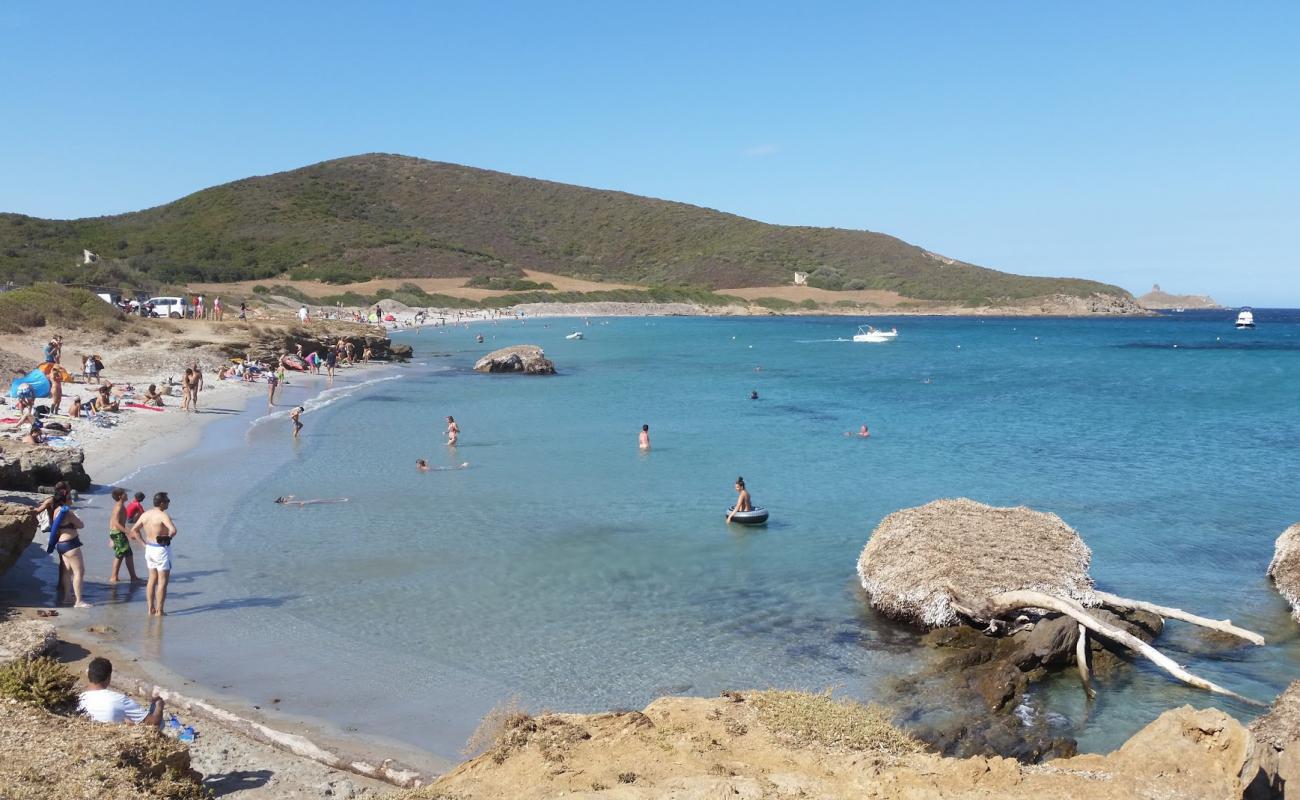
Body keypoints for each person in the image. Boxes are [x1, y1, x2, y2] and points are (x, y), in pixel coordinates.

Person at [37, 482, 91, 607]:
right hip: (70, 544)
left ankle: (67, 598)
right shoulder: (67, 512)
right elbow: (81, 525)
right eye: (70, 498)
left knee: (67, 572)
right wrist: (76, 519)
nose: (72, 500)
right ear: (65, 499)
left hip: (61, 544)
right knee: (79, 572)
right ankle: (78, 601)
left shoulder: (56, 510)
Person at [78, 657, 164, 727]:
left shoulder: (79, 699)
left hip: (93, 734)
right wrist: (159, 704)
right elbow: (153, 722)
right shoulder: (119, 700)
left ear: (89, 675)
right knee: (160, 723)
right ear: (108, 677)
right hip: (111, 738)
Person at [130, 492, 177, 616]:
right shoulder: (162, 515)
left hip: (149, 548)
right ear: (161, 503)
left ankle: (150, 608)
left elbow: (134, 530)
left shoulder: (145, 514)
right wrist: (168, 537)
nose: (168, 502)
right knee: (162, 582)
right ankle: (159, 611)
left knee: (151, 579)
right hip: (161, 549)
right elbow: (173, 530)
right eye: (167, 501)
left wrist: (143, 544)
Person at [107, 487, 142, 584]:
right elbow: (116, 523)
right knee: (124, 555)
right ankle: (120, 577)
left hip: (116, 533)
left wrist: (111, 536)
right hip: (118, 533)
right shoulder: (119, 507)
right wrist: (129, 532)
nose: (126, 495)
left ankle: (123, 577)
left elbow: (112, 521)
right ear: (120, 496)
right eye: (124, 494)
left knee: (124, 555)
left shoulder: (119, 505)